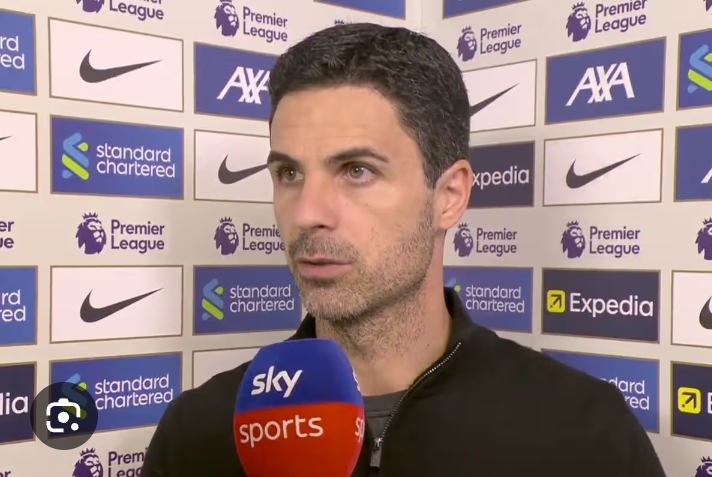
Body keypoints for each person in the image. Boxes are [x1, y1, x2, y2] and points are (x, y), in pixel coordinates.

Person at [141, 23, 667, 476]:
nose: (306, 212)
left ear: (449, 196)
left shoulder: (582, 430)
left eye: (357, 170)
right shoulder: (199, 432)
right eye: (289, 173)